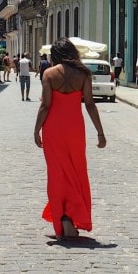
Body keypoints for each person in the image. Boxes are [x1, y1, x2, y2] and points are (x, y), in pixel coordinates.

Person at [33, 38, 107, 240]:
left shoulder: (49, 74)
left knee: (57, 175)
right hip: (75, 129)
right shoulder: (83, 74)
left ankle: (63, 218)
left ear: (55, 55)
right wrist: (100, 132)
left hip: (53, 130)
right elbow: (90, 104)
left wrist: (36, 129)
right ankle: (71, 217)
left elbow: (45, 106)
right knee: (76, 172)